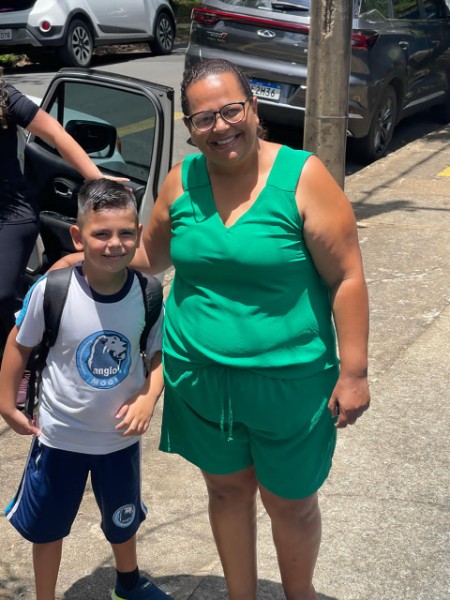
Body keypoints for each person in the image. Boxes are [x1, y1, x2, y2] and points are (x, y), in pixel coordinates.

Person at [133, 58, 370, 600]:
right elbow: (151, 255)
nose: (220, 127)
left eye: (230, 111)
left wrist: (354, 371)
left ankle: (298, 594)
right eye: (203, 118)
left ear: (254, 109)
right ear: (190, 127)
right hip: (200, 381)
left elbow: (347, 277)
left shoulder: (303, 177)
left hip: (290, 385)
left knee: (291, 502)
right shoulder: (181, 182)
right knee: (226, 493)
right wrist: (88, 257)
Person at [0, 179, 172, 600]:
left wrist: (148, 397)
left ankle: (128, 583)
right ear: (78, 236)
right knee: (48, 527)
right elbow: (18, 345)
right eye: (101, 233)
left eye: (126, 233)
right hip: (59, 438)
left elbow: (158, 355)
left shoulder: (148, 293)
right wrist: (6, 403)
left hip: (118, 440)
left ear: (138, 234)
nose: (115, 244)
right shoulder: (53, 290)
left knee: (123, 518)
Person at [0, 68, 126, 363]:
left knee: (3, 294)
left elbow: (56, 133)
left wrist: (95, 177)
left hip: (13, 214)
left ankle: (27, 357)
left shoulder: (5, 97)